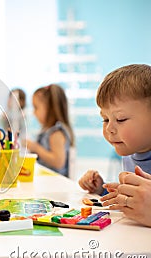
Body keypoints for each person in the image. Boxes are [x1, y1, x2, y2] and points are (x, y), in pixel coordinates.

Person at [78, 64, 151, 227]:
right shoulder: (129, 154)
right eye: (105, 119)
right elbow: (132, 200)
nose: (109, 128)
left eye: (120, 119)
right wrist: (102, 190)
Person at [25, 84, 74, 177]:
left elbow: (58, 162)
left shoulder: (56, 133)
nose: (34, 112)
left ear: (50, 108)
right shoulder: (47, 131)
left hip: (56, 183)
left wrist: (36, 148)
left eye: (36, 107)